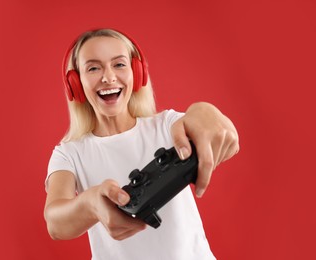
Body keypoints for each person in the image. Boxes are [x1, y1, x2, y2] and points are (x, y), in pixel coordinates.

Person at [44, 28, 239, 260]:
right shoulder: (69, 154)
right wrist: (90, 203)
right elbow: (55, 223)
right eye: (93, 68)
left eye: (119, 65)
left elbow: (212, 129)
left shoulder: (167, 125)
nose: (108, 77)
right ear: (75, 83)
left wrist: (204, 111)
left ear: (137, 72)